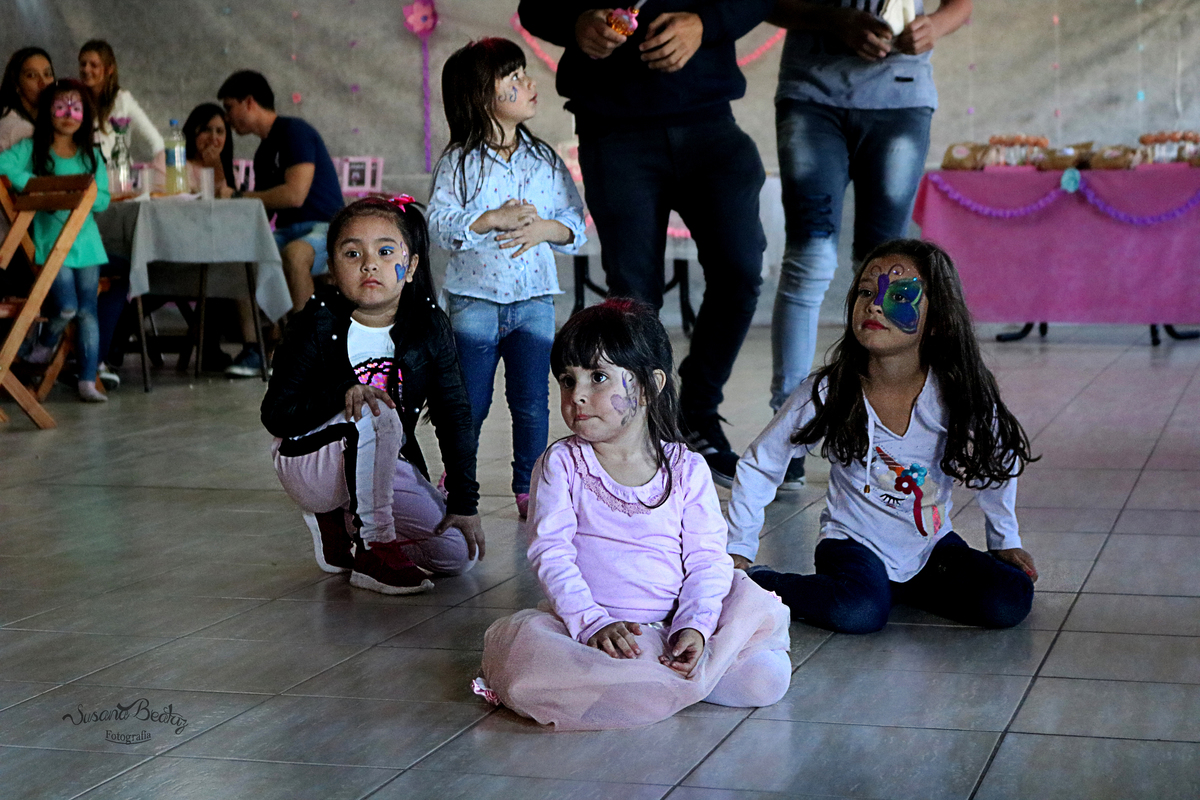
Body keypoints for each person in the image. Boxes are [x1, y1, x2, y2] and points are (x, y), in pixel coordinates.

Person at [479, 299, 791, 730]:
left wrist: (696, 627)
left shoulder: (687, 469)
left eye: (598, 377)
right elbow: (550, 554)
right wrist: (592, 624)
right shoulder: (562, 465)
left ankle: (669, 675)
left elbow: (706, 560)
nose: (577, 395)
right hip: (601, 631)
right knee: (533, 672)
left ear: (648, 387)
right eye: (567, 380)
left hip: (676, 623)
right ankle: (667, 681)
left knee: (767, 680)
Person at [517, 0, 775, 487]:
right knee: (633, 297)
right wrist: (575, 21)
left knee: (741, 271)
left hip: (710, 120)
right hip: (613, 127)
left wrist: (705, 22)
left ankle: (697, 411)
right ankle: (649, 430)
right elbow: (534, 6)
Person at [727, 239, 1038, 634]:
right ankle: (761, 582)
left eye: (900, 296)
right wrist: (739, 548)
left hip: (930, 547)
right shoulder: (828, 390)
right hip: (851, 545)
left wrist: (1004, 538)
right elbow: (761, 462)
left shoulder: (958, 393)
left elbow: (998, 459)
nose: (875, 305)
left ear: (938, 320)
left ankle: (899, 588)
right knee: (857, 612)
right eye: (866, 291)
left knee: (1009, 598)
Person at [765, 0, 972, 487]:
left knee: (888, 275)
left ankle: (880, 431)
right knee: (809, 262)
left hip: (901, 101)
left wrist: (934, 26)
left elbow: (961, 5)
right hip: (812, 97)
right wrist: (833, 19)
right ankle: (787, 436)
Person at [261, 196, 483, 595]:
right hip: (312, 462)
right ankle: (372, 549)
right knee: (373, 410)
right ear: (332, 269)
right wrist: (341, 393)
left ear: (410, 267)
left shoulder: (429, 326)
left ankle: (344, 524)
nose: (369, 264)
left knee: (457, 555)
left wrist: (464, 503)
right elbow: (276, 415)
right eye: (352, 253)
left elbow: (454, 414)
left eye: (385, 252)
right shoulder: (314, 322)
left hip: (380, 461)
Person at [429, 38, 587, 521]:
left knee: (532, 402)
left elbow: (576, 223)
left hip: (534, 300)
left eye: (524, 74)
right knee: (470, 403)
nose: (529, 84)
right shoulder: (459, 162)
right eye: (514, 78)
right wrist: (488, 219)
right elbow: (438, 224)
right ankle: (459, 479)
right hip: (474, 303)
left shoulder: (544, 159)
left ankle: (528, 487)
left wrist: (545, 230)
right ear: (481, 95)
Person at [0, 79, 110, 402]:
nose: (68, 114)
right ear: (47, 111)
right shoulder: (33, 149)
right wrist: (39, 186)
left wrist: (78, 196)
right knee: (66, 306)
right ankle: (45, 343)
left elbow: (103, 198)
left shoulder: (91, 155)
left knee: (87, 312)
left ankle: (87, 379)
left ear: (85, 114)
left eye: (76, 108)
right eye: (60, 107)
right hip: (51, 245)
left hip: (87, 245)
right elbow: (4, 165)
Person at [77, 40, 164, 162]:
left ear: (110, 69)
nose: (86, 69)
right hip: (85, 171)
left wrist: (158, 168)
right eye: (83, 64)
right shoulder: (75, 100)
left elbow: (156, 141)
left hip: (118, 171)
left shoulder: (122, 100)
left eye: (94, 65)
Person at [0, 47, 55, 152]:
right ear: (16, 84)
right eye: (32, 75)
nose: (43, 83)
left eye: (48, 74)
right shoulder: (20, 130)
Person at [183, 103, 235, 197]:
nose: (213, 138)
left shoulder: (230, 173)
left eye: (219, 131)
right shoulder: (173, 163)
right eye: (206, 130)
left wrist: (217, 170)